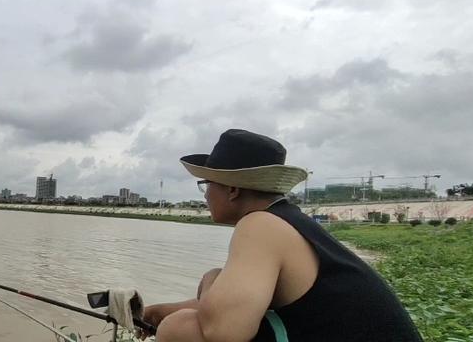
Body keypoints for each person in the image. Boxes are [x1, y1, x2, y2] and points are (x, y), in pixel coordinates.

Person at [140, 129, 421, 341]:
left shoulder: (260, 225)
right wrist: (158, 310)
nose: (205, 196)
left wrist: (212, 280)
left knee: (181, 329)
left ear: (232, 189)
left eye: (206, 186)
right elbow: (243, 306)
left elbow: (224, 331)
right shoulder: (288, 221)